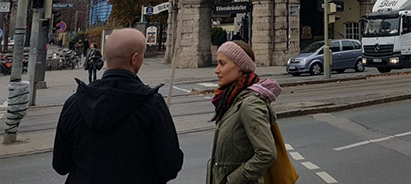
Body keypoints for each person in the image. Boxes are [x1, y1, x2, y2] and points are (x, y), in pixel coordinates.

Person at [52, 28, 183, 184]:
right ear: (135, 59)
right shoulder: (151, 104)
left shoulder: (74, 102)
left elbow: (61, 165)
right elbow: (170, 166)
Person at [208, 41, 281, 184]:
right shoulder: (230, 100)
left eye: (222, 64)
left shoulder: (249, 104)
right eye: (217, 64)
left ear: (241, 67)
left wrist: (232, 180)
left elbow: (267, 154)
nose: (217, 70)